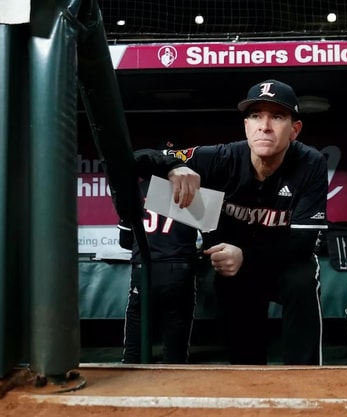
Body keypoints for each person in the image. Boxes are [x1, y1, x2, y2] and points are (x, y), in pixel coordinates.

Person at [134, 79, 329, 365]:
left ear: (294, 130)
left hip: (285, 262)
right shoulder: (220, 158)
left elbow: (303, 242)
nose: (265, 125)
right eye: (255, 116)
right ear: (246, 126)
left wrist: (246, 255)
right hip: (232, 269)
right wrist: (174, 166)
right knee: (245, 357)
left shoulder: (310, 162)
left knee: (302, 280)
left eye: (276, 116)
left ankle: (306, 385)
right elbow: (133, 161)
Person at [118, 143, 199, 364]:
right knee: (176, 354)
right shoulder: (191, 191)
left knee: (134, 351)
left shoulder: (137, 190)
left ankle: (131, 382)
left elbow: (125, 240)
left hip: (145, 269)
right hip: (179, 271)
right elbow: (211, 236)